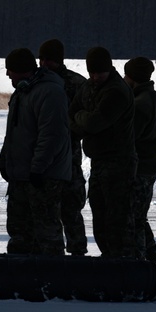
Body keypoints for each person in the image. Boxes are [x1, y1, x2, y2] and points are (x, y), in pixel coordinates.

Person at [0, 48, 72, 255]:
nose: (7, 74)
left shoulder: (49, 92)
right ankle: (21, 279)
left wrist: (38, 169)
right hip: (22, 176)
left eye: (10, 70)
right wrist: (6, 161)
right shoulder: (23, 92)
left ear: (22, 70)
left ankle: (51, 279)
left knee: (46, 233)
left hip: (43, 177)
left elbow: (51, 135)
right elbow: (14, 132)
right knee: (20, 232)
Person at [70, 46, 138, 259]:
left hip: (119, 161)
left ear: (109, 68)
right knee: (99, 213)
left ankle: (123, 262)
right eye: (92, 72)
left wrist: (82, 117)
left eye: (100, 72)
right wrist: (83, 118)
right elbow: (71, 111)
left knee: (117, 217)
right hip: (99, 160)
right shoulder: (89, 86)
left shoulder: (116, 91)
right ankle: (109, 257)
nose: (95, 76)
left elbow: (94, 122)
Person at [38, 38, 89, 255]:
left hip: (59, 153)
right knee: (71, 210)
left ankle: (56, 253)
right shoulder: (79, 82)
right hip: (70, 152)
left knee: (54, 208)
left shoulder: (42, 82)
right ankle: (76, 251)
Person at [124, 56, 156, 262]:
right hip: (150, 166)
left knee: (133, 220)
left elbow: (129, 138)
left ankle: (139, 263)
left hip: (138, 168)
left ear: (132, 76)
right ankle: (152, 259)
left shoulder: (140, 103)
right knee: (140, 218)